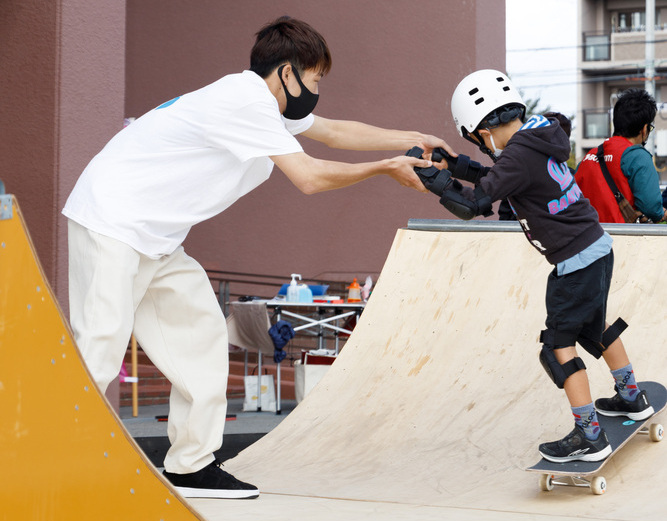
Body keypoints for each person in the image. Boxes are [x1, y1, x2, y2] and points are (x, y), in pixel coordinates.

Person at [62, 16, 451, 499]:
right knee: (97, 349)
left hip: (157, 239)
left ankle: (189, 466)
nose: (316, 91)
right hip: (112, 221)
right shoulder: (245, 100)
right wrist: (385, 168)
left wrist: (409, 137)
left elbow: (332, 131)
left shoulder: (265, 106)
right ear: (287, 74)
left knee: (202, 338)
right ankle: (49, 459)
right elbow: (309, 176)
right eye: (314, 79)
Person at [426, 69, 654, 463]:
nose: (485, 149)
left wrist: (432, 180)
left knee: (557, 347)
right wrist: (455, 165)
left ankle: (589, 435)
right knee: (595, 326)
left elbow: (472, 205)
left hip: (574, 262)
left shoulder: (514, 156)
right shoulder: (538, 134)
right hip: (597, 247)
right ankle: (632, 397)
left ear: (483, 131)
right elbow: (500, 176)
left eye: (479, 142)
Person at [575, 88, 667, 223]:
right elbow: (652, 207)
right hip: (618, 237)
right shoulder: (637, 156)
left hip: (584, 234)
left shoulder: (590, 155)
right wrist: (662, 213)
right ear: (644, 128)